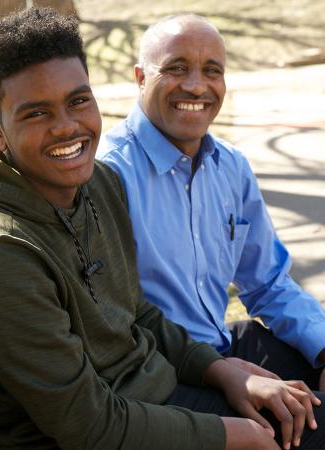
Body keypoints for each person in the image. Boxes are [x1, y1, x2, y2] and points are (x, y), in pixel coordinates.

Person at [0, 7, 325, 450]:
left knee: (309, 411)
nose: (66, 127)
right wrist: (234, 433)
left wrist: (224, 371)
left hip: (155, 393)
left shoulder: (95, 184)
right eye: (36, 113)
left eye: (78, 101)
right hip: (103, 429)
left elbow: (139, 312)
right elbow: (89, 426)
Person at [98, 13, 325, 392]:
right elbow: (113, 324)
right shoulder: (107, 176)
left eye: (212, 70)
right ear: (140, 78)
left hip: (224, 347)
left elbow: (267, 282)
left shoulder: (231, 166)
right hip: (162, 376)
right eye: (176, 68)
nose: (195, 85)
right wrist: (217, 370)